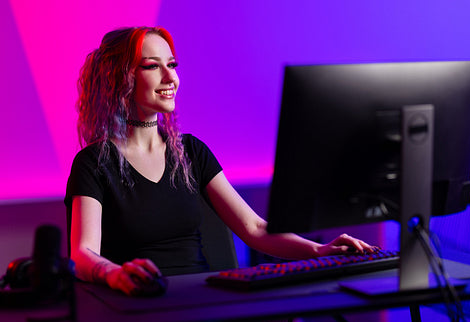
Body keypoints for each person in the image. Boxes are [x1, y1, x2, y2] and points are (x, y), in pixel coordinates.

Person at [65, 26, 377, 296]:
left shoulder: (192, 151)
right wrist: (114, 274)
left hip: (203, 304)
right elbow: (82, 253)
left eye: (172, 65)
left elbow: (254, 228)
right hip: (137, 305)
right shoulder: (93, 163)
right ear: (119, 77)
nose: (170, 76)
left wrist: (319, 251)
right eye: (152, 66)